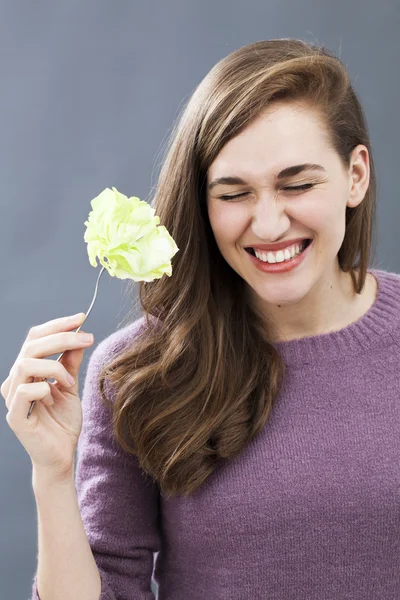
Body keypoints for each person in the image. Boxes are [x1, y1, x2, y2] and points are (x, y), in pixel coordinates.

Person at [3, 38, 400, 600]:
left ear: (355, 176)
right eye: (234, 193)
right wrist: (53, 475)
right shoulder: (138, 372)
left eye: (298, 184)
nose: (267, 225)